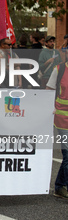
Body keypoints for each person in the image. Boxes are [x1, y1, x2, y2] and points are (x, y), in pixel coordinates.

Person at [46, 53, 68, 199]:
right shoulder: (59, 69)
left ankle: (59, 187)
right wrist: (48, 109)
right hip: (62, 118)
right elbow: (49, 91)